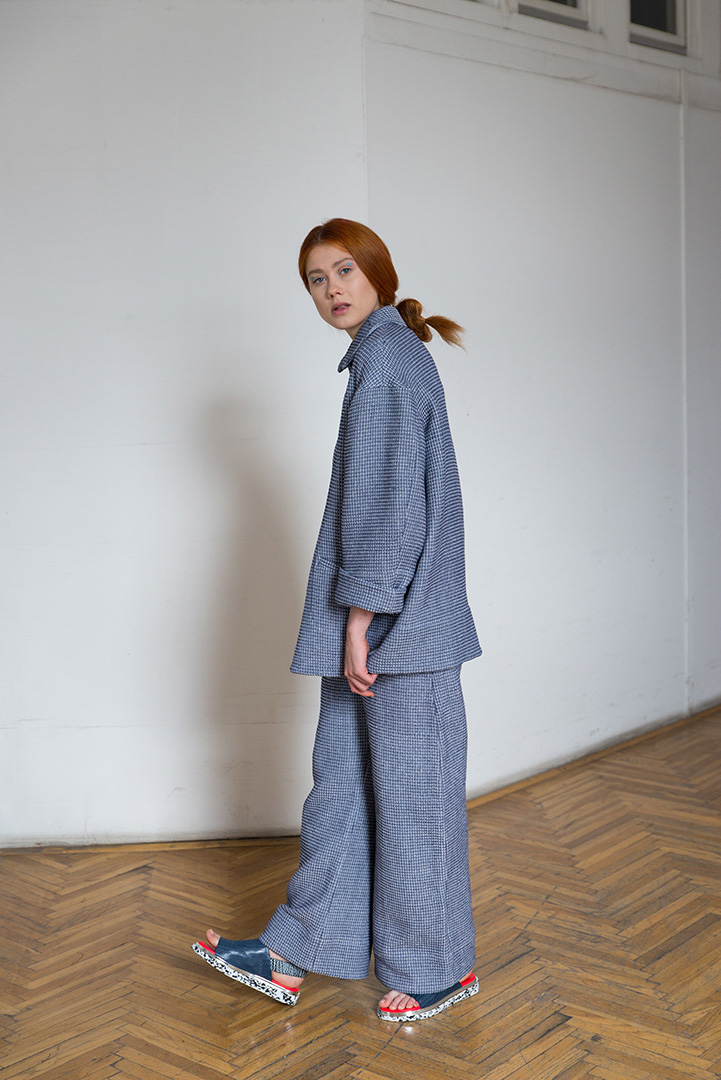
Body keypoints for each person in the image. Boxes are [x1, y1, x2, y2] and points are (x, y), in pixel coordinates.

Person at [194, 218, 482, 1022]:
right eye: (316, 279)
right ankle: (295, 950)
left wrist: (359, 621)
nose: (331, 290)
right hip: (377, 624)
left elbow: (390, 505)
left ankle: (437, 969)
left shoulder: (387, 363)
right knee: (345, 790)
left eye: (344, 271)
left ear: (379, 273)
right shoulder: (383, 359)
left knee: (415, 799)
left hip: (399, 629)